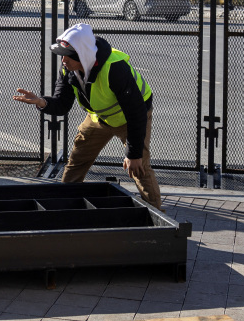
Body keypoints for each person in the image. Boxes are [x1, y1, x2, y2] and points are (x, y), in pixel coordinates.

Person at [14, 23, 162, 210]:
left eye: (67, 56)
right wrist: (41, 102)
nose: (63, 61)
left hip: (131, 118)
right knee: (77, 159)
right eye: (62, 56)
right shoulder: (69, 69)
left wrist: (133, 154)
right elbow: (62, 104)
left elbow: (136, 113)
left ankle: (158, 216)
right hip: (99, 118)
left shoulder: (115, 68)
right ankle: (64, 204)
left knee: (138, 168)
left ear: (81, 55)